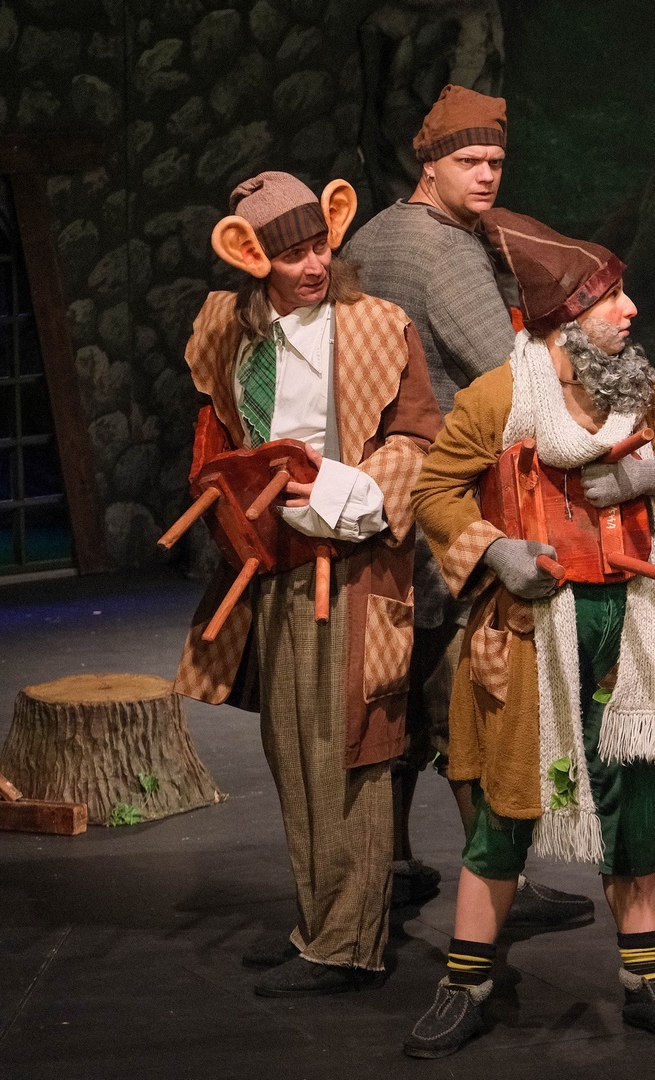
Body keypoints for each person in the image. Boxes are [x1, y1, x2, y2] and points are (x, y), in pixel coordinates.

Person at [404, 210, 655, 1058]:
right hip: (531, 635)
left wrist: (652, 473)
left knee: (637, 811)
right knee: (510, 806)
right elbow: (435, 491)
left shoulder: (639, 389)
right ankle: (465, 984)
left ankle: (647, 980)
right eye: (610, 298)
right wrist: (496, 550)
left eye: (624, 294)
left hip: (630, 635)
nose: (630, 310)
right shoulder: (501, 396)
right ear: (565, 321)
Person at [173, 171, 442, 996]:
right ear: (252, 258)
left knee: (350, 748)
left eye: (320, 246)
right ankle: (319, 922)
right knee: (292, 748)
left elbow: (417, 438)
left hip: (354, 561)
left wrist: (343, 493)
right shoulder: (229, 332)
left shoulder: (375, 325)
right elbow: (220, 426)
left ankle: (349, 942)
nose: (314, 264)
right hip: (272, 565)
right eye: (293, 255)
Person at [346, 84, 594, 926]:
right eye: (470, 160)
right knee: (467, 693)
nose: (487, 175)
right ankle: (500, 884)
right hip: (446, 496)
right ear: (431, 163)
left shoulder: (376, 232)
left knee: (399, 685)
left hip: (382, 494)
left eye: (496, 160)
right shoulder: (444, 252)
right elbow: (506, 372)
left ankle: (392, 861)